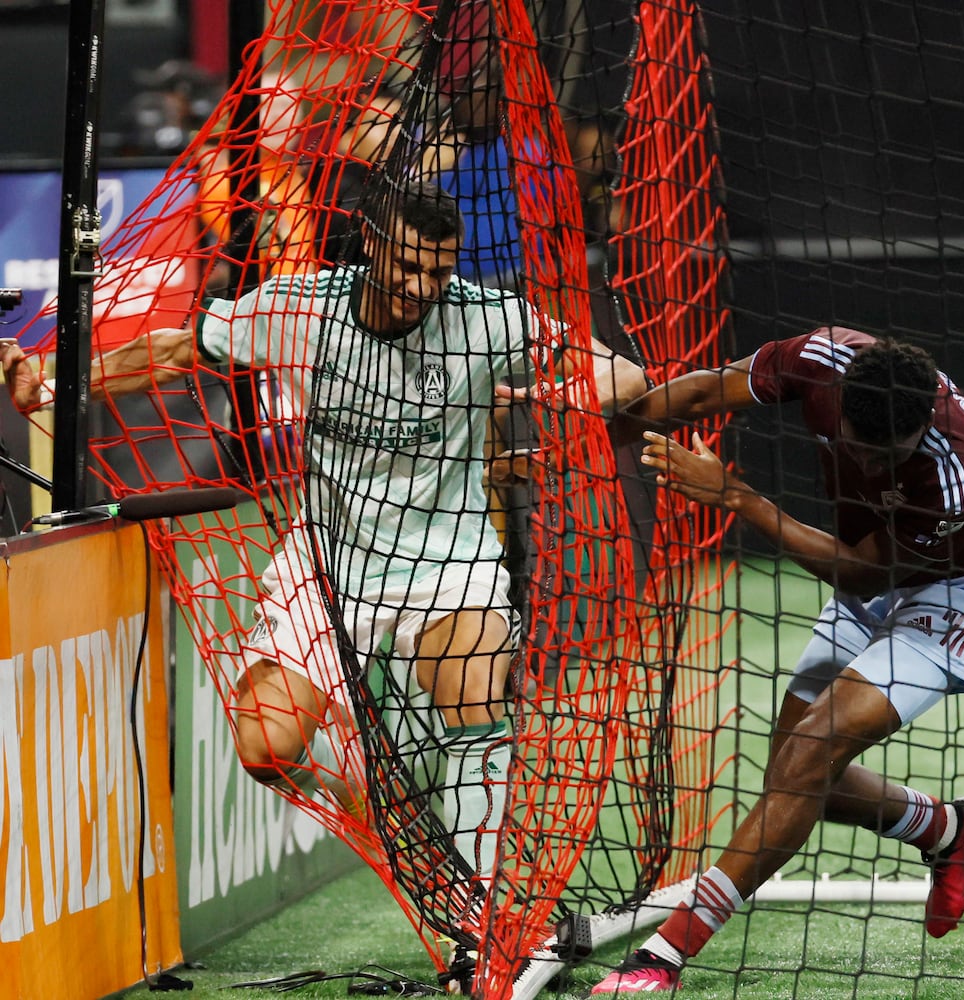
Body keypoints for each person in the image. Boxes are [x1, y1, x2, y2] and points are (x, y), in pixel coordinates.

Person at [0, 180, 645, 920]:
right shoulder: (302, 308)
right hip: (328, 563)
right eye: (406, 265)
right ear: (369, 244)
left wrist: (558, 398)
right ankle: (363, 780)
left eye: (436, 270)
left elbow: (621, 373)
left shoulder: (487, 317)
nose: (420, 286)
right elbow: (177, 350)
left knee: (474, 702)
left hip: (449, 564)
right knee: (265, 749)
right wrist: (49, 385)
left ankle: (485, 919)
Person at [591, 327, 964, 994]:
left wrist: (740, 500)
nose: (875, 466)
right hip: (866, 564)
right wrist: (596, 436)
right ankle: (949, 826)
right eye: (861, 448)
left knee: (809, 755)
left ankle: (664, 956)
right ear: (841, 405)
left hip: (954, 592)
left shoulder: (962, 473)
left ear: (922, 425)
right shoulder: (822, 360)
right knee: (795, 781)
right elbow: (706, 391)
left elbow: (857, 575)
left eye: (890, 456)